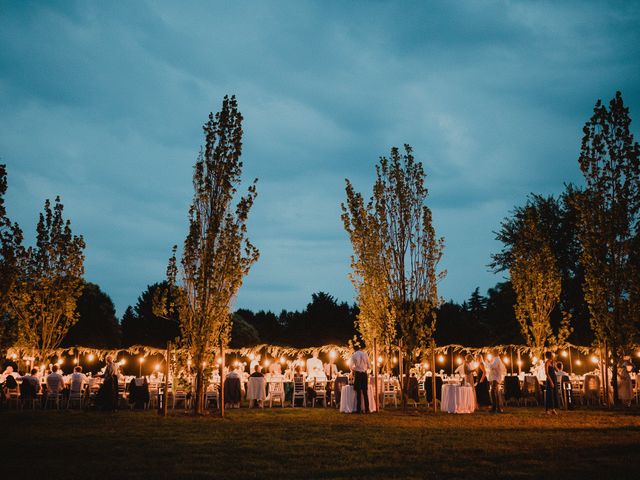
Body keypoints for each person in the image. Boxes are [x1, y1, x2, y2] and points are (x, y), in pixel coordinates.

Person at [350, 344, 371, 413]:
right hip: (364, 374)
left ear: (354, 349)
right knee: (365, 392)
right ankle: (367, 409)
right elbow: (369, 365)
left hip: (358, 374)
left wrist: (354, 369)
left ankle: (358, 409)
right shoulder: (365, 354)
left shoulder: (354, 355)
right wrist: (365, 368)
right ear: (360, 349)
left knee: (358, 392)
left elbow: (350, 366)